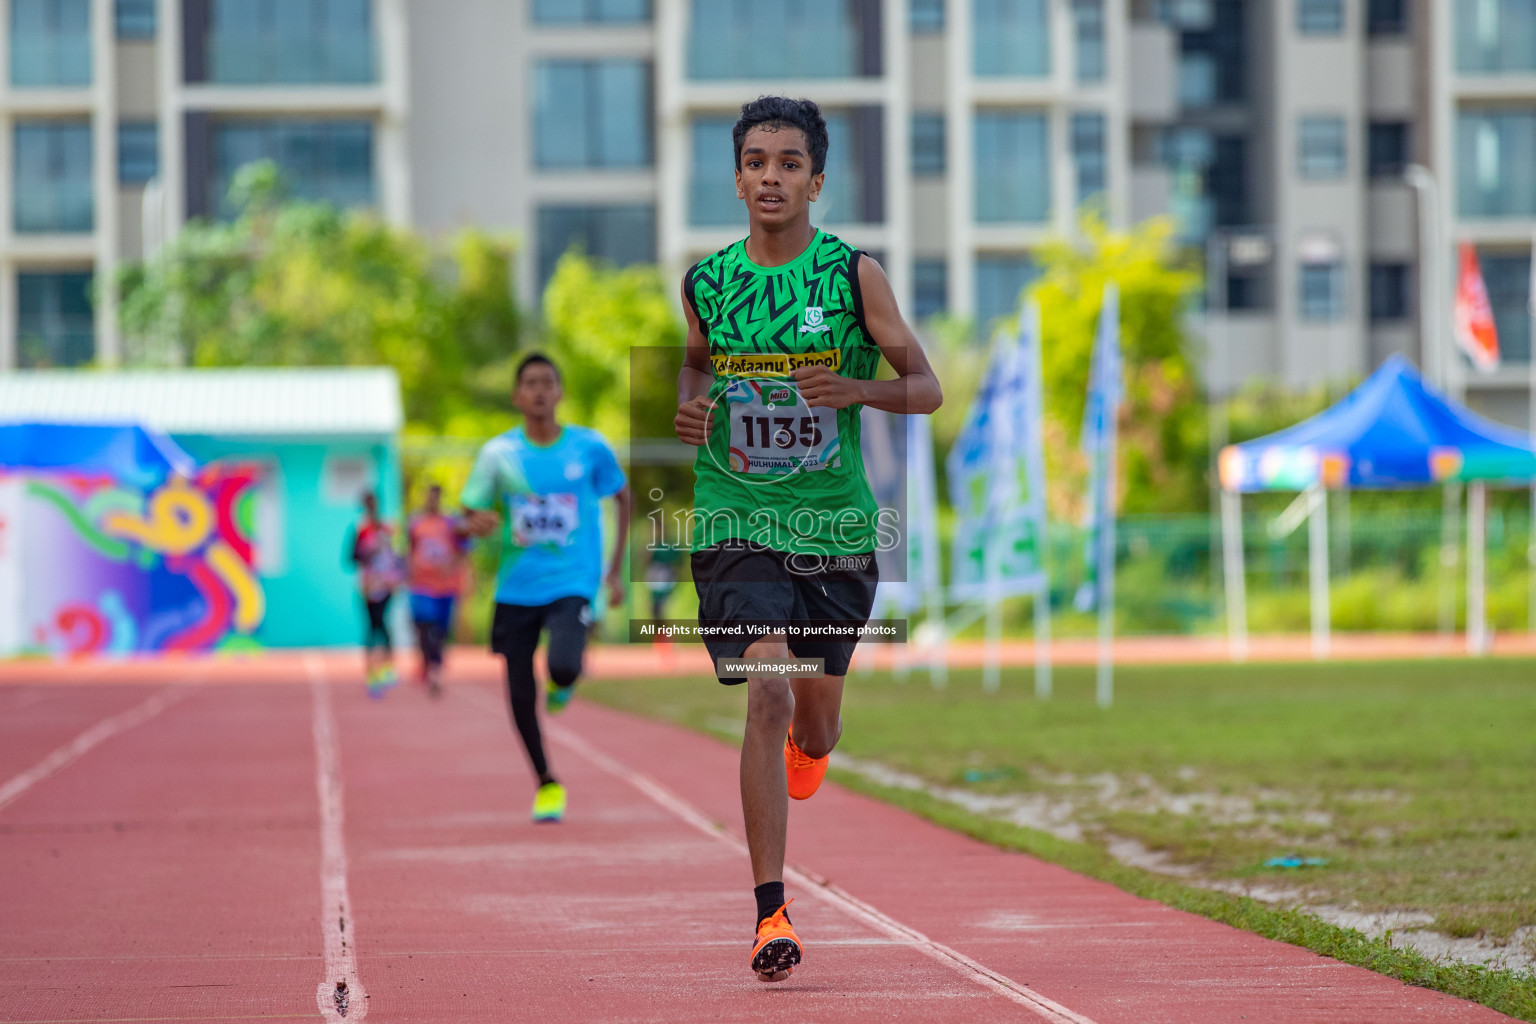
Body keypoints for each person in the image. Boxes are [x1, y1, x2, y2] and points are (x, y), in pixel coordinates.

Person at [673, 96, 942, 982]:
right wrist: (691, 405)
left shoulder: (851, 276)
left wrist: (853, 392)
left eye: (790, 163)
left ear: (816, 181)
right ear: (738, 176)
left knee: (816, 723)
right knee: (769, 688)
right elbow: (696, 361)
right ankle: (770, 913)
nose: (771, 177)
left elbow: (926, 388)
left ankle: (812, 743)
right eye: (757, 161)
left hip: (833, 524)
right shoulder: (706, 281)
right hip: (735, 516)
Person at [462, 353, 631, 823]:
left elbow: (623, 494)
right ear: (517, 396)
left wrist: (615, 571)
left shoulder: (589, 448)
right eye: (530, 384)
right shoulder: (499, 455)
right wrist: (476, 522)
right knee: (518, 694)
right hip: (515, 588)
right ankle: (546, 782)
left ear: (559, 392)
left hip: (572, 581)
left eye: (547, 383)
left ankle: (564, 682)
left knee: (562, 664)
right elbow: (469, 512)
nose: (538, 391)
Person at [406, 483, 470, 696]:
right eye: (429, 497)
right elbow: (409, 549)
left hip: (446, 585)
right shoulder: (415, 522)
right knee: (425, 624)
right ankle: (430, 664)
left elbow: (464, 549)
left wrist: (452, 568)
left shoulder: (451, 523)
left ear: (440, 498)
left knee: (440, 630)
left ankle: (436, 664)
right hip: (422, 585)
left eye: (436, 497)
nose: (432, 501)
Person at [346, 491, 403, 697]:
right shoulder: (360, 529)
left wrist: (398, 577)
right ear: (364, 505)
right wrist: (367, 552)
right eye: (368, 503)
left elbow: (397, 555)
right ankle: (371, 672)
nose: (372, 506)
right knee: (372, 626)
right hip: (369, 586)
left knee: (385, 624)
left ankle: (387, 668)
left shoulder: (388, 527)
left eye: (374, 502)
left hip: (387, 585)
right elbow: (349, 558)